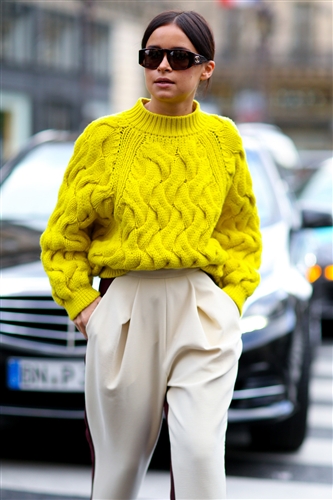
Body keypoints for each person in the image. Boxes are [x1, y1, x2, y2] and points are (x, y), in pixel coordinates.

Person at [41, 10, 262, 500]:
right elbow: (63, 238)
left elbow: (241, 232)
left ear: (205, 68)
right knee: (117, 472)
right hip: (122, 309)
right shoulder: (105, 138)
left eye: (179, 57)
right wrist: (85, 307)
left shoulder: (223, 139)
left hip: (202, 308)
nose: (163, 66)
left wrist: (232, 301)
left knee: (201, 458)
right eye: (152, 55)